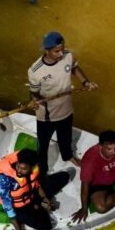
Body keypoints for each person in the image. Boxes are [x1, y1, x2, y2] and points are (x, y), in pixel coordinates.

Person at [27, 31, 97, 175]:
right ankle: (43, 168)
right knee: (43, 145)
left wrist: (86, 82)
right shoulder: (36, 71)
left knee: (65, 136)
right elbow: (34, 92)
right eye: (56, 51)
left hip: (66, 109)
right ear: (47, 51)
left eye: (62, 49)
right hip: (47, 116)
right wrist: (34, 101)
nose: (60, 54)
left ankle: (68, 155)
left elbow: (74, 68)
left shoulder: (68, 55)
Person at [0, 148, 70, 230]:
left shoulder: (34, 169)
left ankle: (39, 204)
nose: (19, 171)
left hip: (31, 193)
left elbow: (37, 185)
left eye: (24, 169)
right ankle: (35, 209)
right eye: (18, 166)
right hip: (20, 206)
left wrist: (45, 199)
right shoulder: (4, 180)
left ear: (32, 167)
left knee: (64, 176)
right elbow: (8, 207)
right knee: (46, 227)